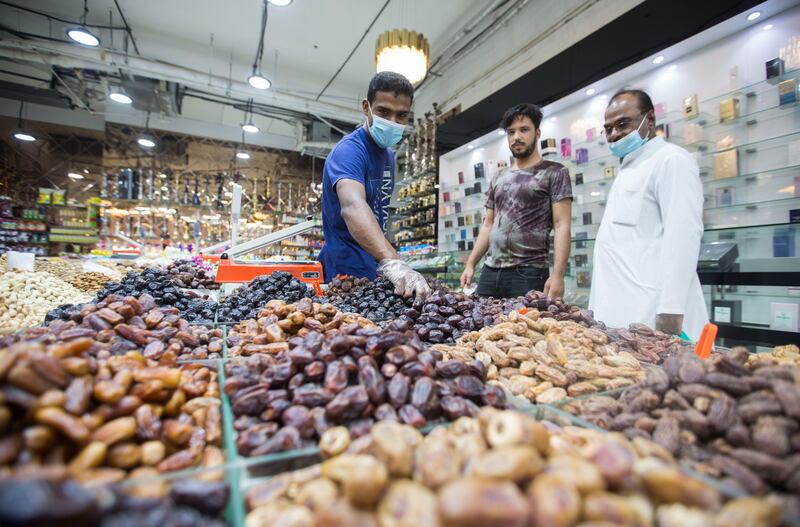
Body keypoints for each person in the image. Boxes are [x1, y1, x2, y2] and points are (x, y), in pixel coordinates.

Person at [589, 89, 708, 340]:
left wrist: (670, 310)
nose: (614, 134)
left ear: (650, 120)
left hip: (652, 313)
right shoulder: (629, 167)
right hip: (620, 311)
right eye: (608, 129)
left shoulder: (672, 160)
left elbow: (683, 235)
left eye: (623, 124)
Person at [318, 71, 430, 298]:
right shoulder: (349, 151)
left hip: (372, 265)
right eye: (383, 112)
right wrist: (392, 262)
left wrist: (391, 256)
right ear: (366, 107)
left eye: (402, 115)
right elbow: (352, 206)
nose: (393, 122)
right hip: (345, 271)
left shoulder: (387, 154)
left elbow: (378, 212)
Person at [460, 103, 572, 299]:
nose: (516, 137)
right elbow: (488, 225)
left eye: (524, 130)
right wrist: (471, 264)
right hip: (490, 270)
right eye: (511, 132)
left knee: (524, 328)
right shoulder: (498, 177)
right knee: (482, 326)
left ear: (537, 133)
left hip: (529, 273)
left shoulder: (555, 172)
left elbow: (562, 225)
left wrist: (558, 275)